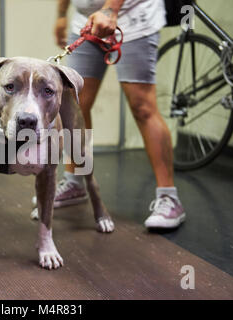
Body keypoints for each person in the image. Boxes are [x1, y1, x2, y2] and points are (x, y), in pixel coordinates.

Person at [51, 0, 186, 229]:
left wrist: (111, 9)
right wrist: (62, 13)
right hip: (87, 19)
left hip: (133, 17)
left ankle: (169, 198)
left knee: (142, 107)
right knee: (75, 105)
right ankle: (75, 182)